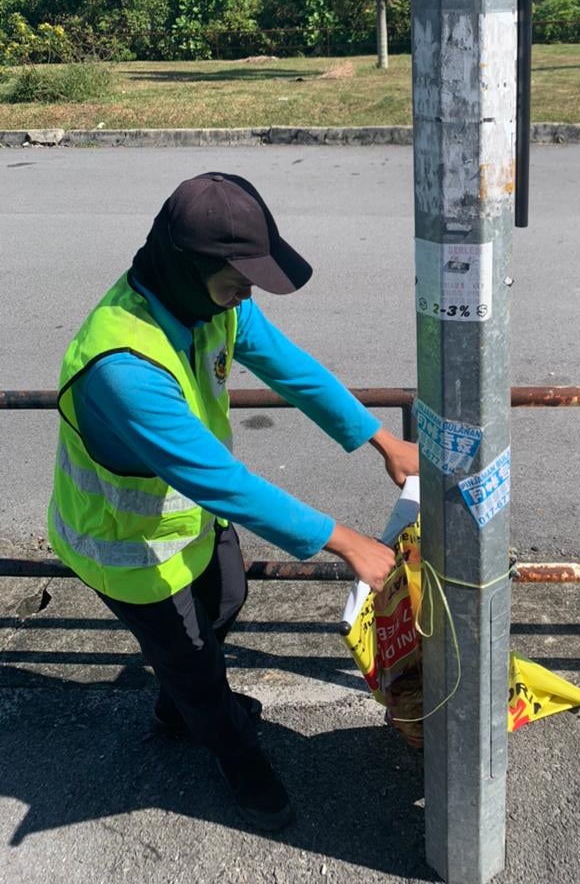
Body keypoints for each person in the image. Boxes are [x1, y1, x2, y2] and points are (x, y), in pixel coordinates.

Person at [48, 171, 418, 833]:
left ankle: (177, 707)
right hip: (127, 550)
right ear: (189, 267)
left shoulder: (209, 301)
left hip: (186, 518)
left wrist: (380, 439)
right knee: (195, 667)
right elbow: (221, 479)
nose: (248, 295)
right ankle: (238, 760)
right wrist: (347, 542)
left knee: (227, 601)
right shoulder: (122, 366)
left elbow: (290, 367)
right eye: (239, 279)